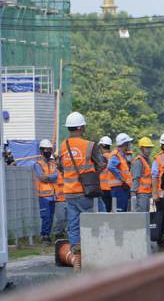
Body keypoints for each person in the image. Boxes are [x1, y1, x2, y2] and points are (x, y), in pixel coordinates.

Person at [59, 111, 106, 270]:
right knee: (101, 217)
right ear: (80, 127)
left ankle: (77, 258)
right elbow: (101, 164)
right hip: (86, 192)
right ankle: (101, 251)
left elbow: (60, 167)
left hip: (69, 192)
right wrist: (92, 173)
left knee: (74, 225)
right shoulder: (89, 145)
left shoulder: (63, 146)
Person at [34, 139, 58, 244]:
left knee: (51, 217)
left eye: (50, 149)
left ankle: (47, 235)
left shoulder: (53, 163)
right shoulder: (38, 164)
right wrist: (50, 177)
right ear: (41, 150)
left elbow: (56, 176)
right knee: (46, 217)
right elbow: (41, 177)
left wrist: (47, 177)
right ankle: (44, 236)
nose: (48, 151)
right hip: (43, 196)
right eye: (46, 149)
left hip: (53, 195)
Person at [107, 133, 134, 212]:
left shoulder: (122, 155)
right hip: (119, 188)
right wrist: (122, 180)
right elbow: (110, 166)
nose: (129, 145)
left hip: (122, 187)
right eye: (128, 143)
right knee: (120, 212)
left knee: (122, 211)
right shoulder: (116, 155)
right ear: (124, 144)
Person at [131, 137, 154, 212]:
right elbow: (136, 178)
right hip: (140, 193)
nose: (149, 150)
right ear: (141, 148)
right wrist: (133, 193)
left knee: (145, 215)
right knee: (141, 214)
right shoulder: (139, 161)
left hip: (146, 193)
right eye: (147, 148)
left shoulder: (147, 160)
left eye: (150, 148)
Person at [51, 156, 67, 239]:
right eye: (58, 159)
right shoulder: (54, 171)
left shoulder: (68, 170)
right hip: (59, 199)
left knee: (69, 219)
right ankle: (58, 235)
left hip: (69, 198)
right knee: (60, 218)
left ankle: (64, 235)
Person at [98, 136, 113, 212]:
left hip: (103, 189)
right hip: (113, 188)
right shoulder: (114, 157)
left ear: (102, 146)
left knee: (104, 212)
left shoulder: (100, 159)